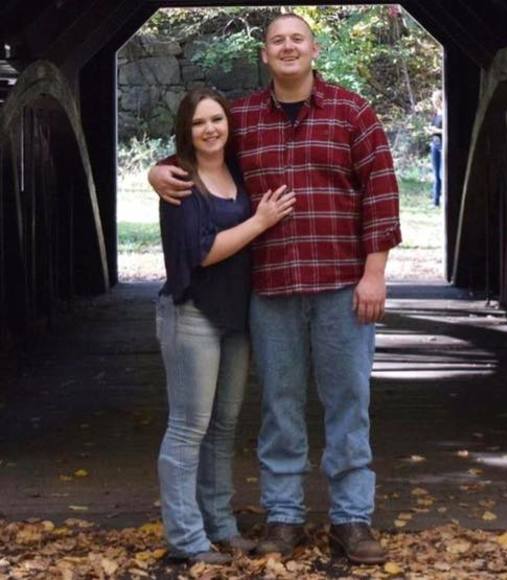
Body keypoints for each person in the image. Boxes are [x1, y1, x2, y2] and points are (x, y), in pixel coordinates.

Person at [149, 13, 401, 565]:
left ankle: (351, 519)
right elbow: (201, 146)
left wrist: (375, 272)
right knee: (279, 409)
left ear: (314, 49)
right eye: (277, 41)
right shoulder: (242, 119)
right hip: (271, 287)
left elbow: (381, 192)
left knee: (348, 404)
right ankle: (284, 517)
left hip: (341, 286)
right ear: (264, 54)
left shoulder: (352, 112)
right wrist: (157, 170)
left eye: (297, 39)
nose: (288, 47)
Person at [155, 87, 295, 565]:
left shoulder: (238, 169)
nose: (210, 129)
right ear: (186, 130)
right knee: (187, 428)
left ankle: (220, 525)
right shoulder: (179, 179)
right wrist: (261, 222)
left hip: (235, 316)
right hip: (191, 312)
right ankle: (186, 538)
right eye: (198, 122)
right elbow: (202, 252)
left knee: (223, 427)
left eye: (216, 119)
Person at [430, 89, 443, 207]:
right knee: (435, 174)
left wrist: (437, 130)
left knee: (442, 174)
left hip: (443, 146)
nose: (433, 101)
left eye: (434, 99)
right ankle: (435, 200)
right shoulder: (436, 114)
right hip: (434, 145)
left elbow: (447, 130)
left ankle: (444, 198)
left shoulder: (445, 114)